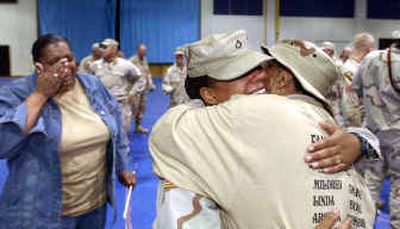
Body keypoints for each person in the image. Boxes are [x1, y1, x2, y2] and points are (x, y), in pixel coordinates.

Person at [150, 31, 377, 228]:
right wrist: (362, 141)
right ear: (208, 94)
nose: (258, 76)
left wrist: (360, 140)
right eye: (238, 73)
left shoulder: (262, 123)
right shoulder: (195, 151)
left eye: (259, 67)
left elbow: (165, 131)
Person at [0, 34, 136, 228]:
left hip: (93, 207)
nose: (66, 67)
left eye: (69, 59)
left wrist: (123, 166)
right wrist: (40, 95)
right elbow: (3, 145)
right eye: (55, 62)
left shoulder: (92, 85)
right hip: (44, 213)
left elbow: (116, 129)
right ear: (39, 67)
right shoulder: (18, 93)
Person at [352, 31, 400, 228]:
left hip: (372, 133)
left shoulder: (371, 58)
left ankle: (363, 223)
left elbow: (355, 87)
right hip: (398, 136)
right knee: (398, 185)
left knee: (370, 182)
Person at [90, 38, 141, 133]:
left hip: (121, 105)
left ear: (114, 50)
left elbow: (139, 79)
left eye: (105, 47)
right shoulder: (95, 66)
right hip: (102, 105)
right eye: (101, 47)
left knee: (121, 134)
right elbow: (90, 83)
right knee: (104, 134)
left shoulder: (126, 65)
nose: (101, 50)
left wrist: (132, 93)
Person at [341, 33, 375, 127]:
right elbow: (352, 104)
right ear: (369, 50)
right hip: (355, 123)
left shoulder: (350, 66)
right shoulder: (353, 70)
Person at [129, 44, 154, 133]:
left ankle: (138, 126)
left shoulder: (145, 60)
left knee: (142, 108)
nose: (144, 52)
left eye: (145, 50)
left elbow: (147, 73)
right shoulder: (132, 61)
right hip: (135, 89)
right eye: (142, 50)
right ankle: (125, 128)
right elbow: (128, 75)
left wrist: (150, 84)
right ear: (138, 51)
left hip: (144, 89)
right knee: (133, 109)